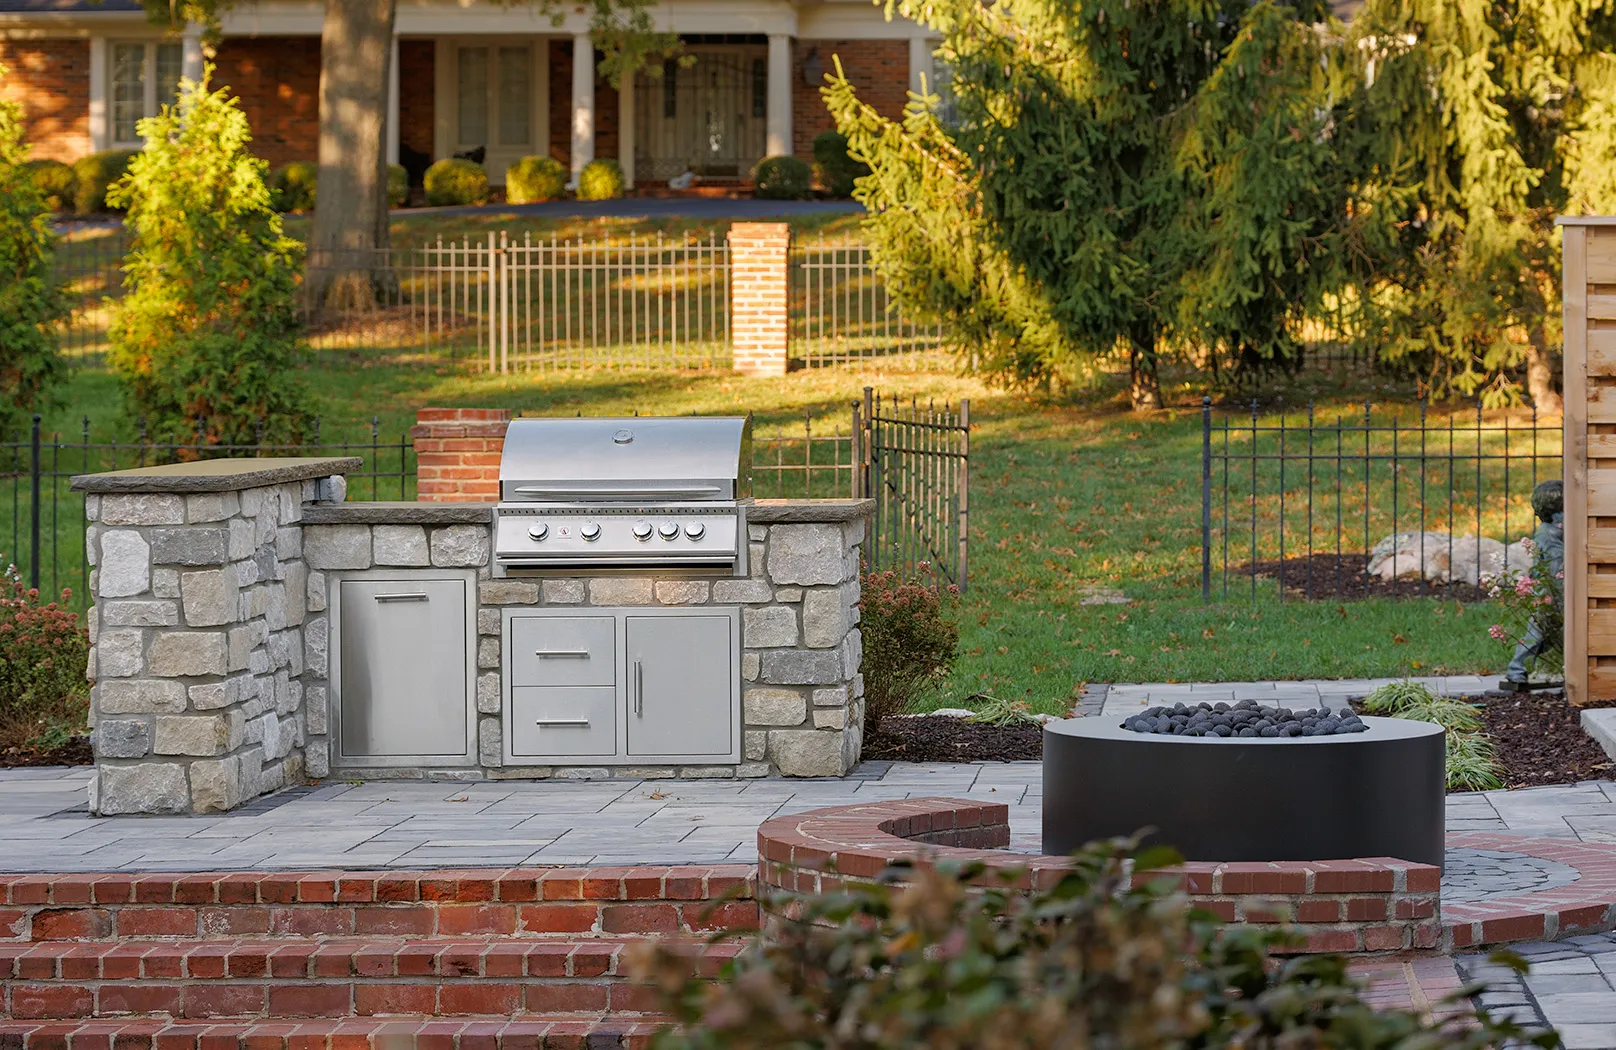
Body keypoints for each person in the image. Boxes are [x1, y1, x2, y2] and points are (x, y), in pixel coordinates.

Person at [1505, 480, 1565, 686]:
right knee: (1538, 632)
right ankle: (1516, 669)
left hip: (1555, 590)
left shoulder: (1552, 530)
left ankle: (1525, 668)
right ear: (1555, 513)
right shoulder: (1548, 536)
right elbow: (1554, 569)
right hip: (1552, 592)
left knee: (1549, 634)